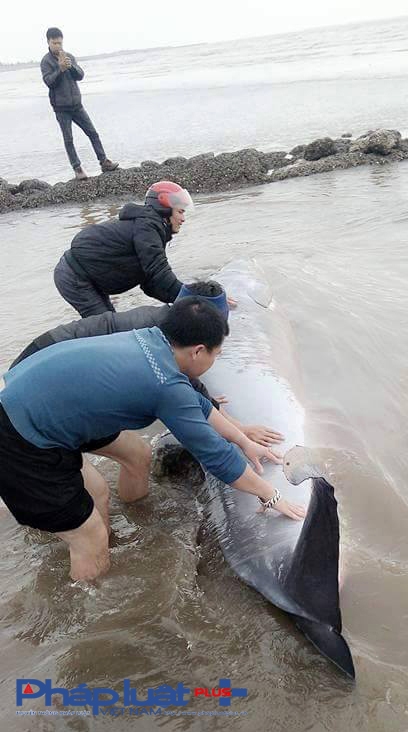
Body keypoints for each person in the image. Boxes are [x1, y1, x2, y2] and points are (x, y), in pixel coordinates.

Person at [0, 297, 305, 581]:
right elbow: (217, 458)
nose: (215, 360)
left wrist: (243, 440)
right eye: (216, 353)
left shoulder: (151, 340)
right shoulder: (165, 384)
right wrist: (271, 494)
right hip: (21, 438)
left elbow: (197, 405)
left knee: (137, 455)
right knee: (89, 536)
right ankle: (87, 610)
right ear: (198, 351)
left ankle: (129, 524)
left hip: (43, 408)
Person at [10, 280, 284, 448]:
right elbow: (184, 389)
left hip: (52, 358)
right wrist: (240, 430)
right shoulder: (161, 340)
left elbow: (190, 388)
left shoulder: (169, 324)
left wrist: (211, 404)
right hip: (45, 360)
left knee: (135, 456)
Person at [53, 181, 224, 319]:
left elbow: (152, 284)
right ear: (164, 209)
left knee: (110, 322)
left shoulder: (150, 228)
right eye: (180, 212)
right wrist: (198, 301)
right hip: (75, 277)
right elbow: (160, 274)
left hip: (88, 278)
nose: (183, 219)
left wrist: (191, 301)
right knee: (107, 329)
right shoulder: (147, 227)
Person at [40, 27, 118, 180]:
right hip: (61, 108)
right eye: (55, 43)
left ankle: (104, 162)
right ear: (48, 42)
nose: (58, 46)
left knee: (93, 133)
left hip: (77, 105)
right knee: (69, 139)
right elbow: (49, 82)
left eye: (60, 43)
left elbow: (80, 76)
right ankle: (77, 168)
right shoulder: (45, 62)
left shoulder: (69, 56)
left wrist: (71, 67)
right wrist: (60, 69)